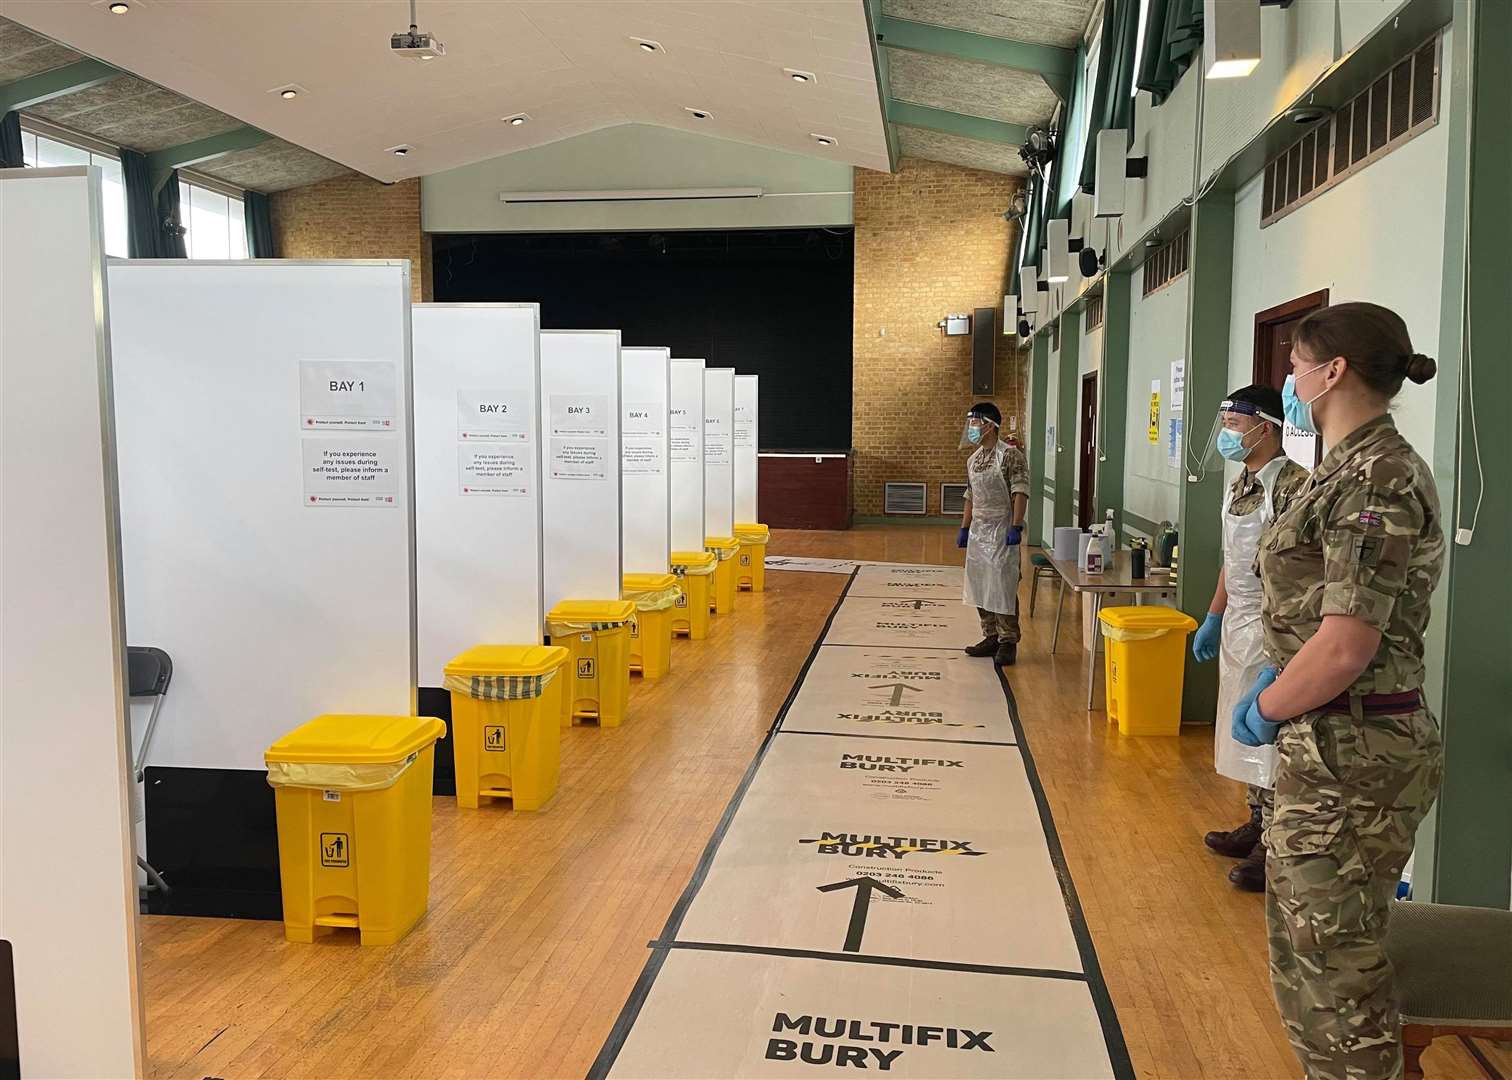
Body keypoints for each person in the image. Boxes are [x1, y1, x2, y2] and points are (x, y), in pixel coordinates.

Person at [1230, 303, 1443, 1080]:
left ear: (1334, 371)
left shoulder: (1377, 475)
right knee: (1308, 950)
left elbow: (1348, 644)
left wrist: (1270, 702)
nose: (1290, 381)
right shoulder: (1342, 466)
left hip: (1354, 748)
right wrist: (1283, 682)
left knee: (1336, 974)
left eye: (1295, 366)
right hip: (1327, 742)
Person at [1191, 385, 1309, 891]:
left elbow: (1300, 571)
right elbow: (1232, 558)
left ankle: (1273, 846)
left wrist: (1283, 650)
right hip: (1238, 621)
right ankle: (1256, 821)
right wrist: (1213, 615)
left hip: (1276, 625)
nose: (1227, 433)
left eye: (1235, 423)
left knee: (1272, 737)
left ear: (1266, 426)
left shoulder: (1294, 486)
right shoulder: (1241, 482)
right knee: (1240, 732)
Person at [956, 403, 1029, 666]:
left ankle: (1008, 640)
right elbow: (970, 495)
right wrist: (965, 527)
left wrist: (1016, 525)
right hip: (978, 530)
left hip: (1001, 529)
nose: (972, 428)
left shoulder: (1011, 456)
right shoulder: (973, 460)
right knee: (979, 582)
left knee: (1002, 584)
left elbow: (1020, 491)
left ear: (990, 425)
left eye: (975, 423)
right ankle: (990, 635)